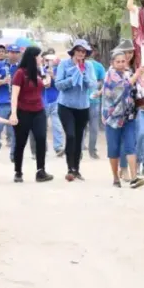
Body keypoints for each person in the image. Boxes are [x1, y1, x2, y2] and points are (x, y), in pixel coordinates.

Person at [102, 42, 144, 188]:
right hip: (113, 118)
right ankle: (116, 177)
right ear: (112, 63)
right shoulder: (111, 75)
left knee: (130, 146)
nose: (122, 64)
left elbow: (134, 90)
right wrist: (138, 74)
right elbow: (124, 86)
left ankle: (134, 177)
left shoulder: (127, 73)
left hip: (128, 116)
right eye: (118, 62)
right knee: (114, 148)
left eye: (123, 61)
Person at [10, 45, 54, 183]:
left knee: (41, 138)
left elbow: (43, 84)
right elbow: (14, 95)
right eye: (40, 56)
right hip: (23, 111)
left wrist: (48, 78)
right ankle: (18, 171)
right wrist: (13, 113)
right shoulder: (20, 73)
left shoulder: (38, 71)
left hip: (39, 111)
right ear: (33, 57)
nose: (41, 58)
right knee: (21, 142)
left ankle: (40, 171)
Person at [55, 39, 97, 181]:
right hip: (66, 105)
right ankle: (70, 168)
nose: (80, 53)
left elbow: (93, 84)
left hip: (82, 106)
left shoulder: (89, 66)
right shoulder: (64, 64)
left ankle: (76, 169)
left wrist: (83, 76)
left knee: (79, 138)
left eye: (83, 51)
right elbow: (58, 85)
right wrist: (72, 78)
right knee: (71, 135)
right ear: (73, 51)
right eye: (78, 50)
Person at [0, 44, 20, 161]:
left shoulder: (22, 67)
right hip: (2, 103)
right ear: (8, 53)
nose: (14, 54)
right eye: (11, 52)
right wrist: (2, 81)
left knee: (14, 131)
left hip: (16, 103)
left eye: (16, 52)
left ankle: (13, 155)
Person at [85, 49, 106, 159]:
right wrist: (97, 86)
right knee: (94, 127)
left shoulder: (80, 64)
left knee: (82, 126)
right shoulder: (99, 66)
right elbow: (103, 82)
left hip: (85, 99)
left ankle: (80, 149)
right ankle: (92, 150)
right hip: (93, 99)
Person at [43, 53, 64, 156]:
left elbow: (60, 85)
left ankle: (58, 147)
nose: (49, 62)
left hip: (56, 100)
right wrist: (46, 76)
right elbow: (44, 85)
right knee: (42, 126)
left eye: (51, 60)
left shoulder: (59, 71)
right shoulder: (40, 70)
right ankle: (42, 146)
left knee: (57, 125)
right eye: (47, 60)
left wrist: (53, 76)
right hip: (43, 101)